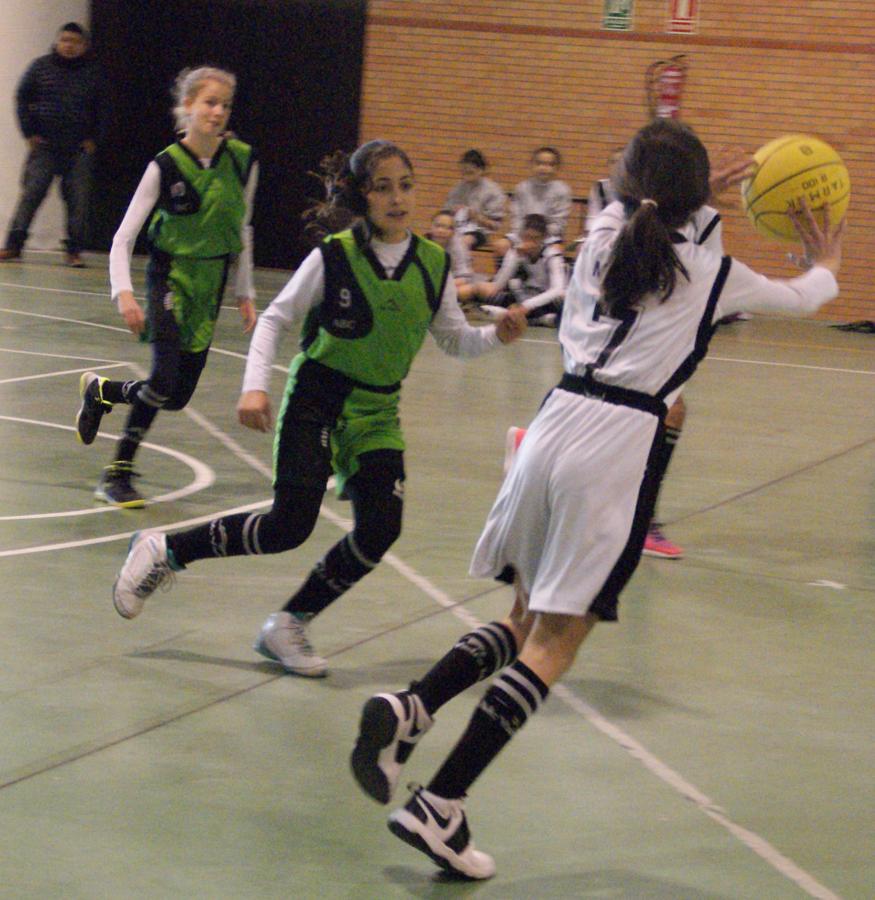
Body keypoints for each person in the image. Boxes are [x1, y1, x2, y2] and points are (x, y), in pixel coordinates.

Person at [350, 119, 844, 880]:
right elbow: (809, 296)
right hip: (612, 448)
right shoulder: (712, 271)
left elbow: (633, 201)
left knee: (521, 620)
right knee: (556, 642)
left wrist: (693, 197)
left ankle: (413, 707)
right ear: (691, 198)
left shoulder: (606, 231)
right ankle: (439, 804)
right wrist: (825, 258)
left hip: (548, 428)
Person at [110, 139, 528, 678]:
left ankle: (288, 625)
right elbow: (276, 319)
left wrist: (497, 334)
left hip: (377, 411)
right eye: (383, 187)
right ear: (361, 196)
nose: (397, 198)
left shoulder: (433, 263)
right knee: (289, 526)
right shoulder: (334, 255)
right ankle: (166, 549)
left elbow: (453, 340)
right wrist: (253, 386)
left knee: (380, 528)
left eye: (405, 184)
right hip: (318, 397)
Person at [74, 66, 258, 507]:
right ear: (188, 107)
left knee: (175, 397)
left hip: (210, 280)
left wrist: (244, 291)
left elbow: (243, 228)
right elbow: (123, 237)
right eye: (209, 102)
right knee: (162, 377)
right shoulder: (165, 166)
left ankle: (102, 392)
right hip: (170, 274)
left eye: (224, 105)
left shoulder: (243, 161)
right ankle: (117, 473)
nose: (217, 112)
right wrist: (123, 292)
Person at [0, 22, 105, 267]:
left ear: (83, 46)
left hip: (78, 149)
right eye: (65, 40)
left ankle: (74, 251)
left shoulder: (93, 73)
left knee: (78, 202)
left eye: (75, 41)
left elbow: (104, 109)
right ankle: (13, 246)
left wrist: (94, 140)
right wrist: (29, 133)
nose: (69, 45)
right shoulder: (40, 67)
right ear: (58, 41)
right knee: (30, 196)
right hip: (45, 147)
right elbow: (22, 98)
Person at [478, 213, 567, 326]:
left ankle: (513, 315)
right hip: (525, 296)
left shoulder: (552, 256)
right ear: (522, 235)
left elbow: (557, 289)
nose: (531, 242)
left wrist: (527, 305)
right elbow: (499, 284)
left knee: (561, 300)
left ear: (544, 237)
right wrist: (515, 256)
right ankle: (537, 319)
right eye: (527, 237)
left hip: (546, 299)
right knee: (494, 295)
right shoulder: (516, 252)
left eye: (536, 238)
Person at [445, 149, 506, 258]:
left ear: (481, 170)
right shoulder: (458, 188)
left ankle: (461, 270)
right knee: (433, 239)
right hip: (457, 227)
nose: (466, 177)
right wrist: (452, 212)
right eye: (464, 173)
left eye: (470, 173)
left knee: (462, 243)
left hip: (480, 231)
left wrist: (477, 218)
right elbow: (446, 212)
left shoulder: (493, 191)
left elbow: (495, 225)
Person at [508, 147, 573, 245]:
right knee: (501, 246)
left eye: (550, 164)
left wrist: (538, 236)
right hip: (522, 234)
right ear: (532, 165)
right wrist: (525, 235)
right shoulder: (521, 187)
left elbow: (559, 222)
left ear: (557, 168)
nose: (544, 168)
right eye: (539, 163)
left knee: (556, 250)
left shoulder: (562, 190)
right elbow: (516, 217)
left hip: (549, 237)